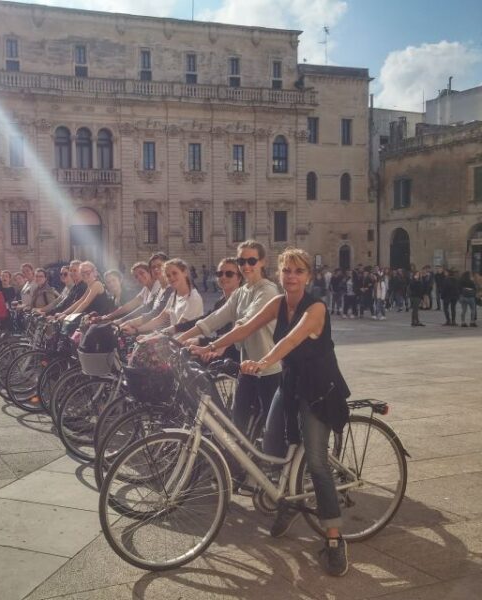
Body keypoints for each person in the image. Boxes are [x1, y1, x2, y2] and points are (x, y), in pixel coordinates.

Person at [211, 247, 351, 577]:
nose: (291, 276)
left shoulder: (315, 307)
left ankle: (334, 537)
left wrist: (262, 362)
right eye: (287, 270)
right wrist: (210, 345)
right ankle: (288, 500)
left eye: (298, 271)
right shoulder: (278, 303)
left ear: (308, 276)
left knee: (316, 462)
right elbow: (245, 328)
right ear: (280, 273)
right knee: (272, 446)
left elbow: (289, 341)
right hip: (289, 386)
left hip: (318, 390)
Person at [181, 241, 282, 446]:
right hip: (248, 368)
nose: (246, 266)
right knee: (238, 423)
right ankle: (244, 467)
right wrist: (179, 338)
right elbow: (215, 318)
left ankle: (279, 470)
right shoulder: (241, 292)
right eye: (241, 261)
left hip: (269, 369)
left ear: (262, 262)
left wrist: (210, 346)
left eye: (251, 260)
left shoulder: (268, 291)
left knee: (272, 431)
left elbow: (244, 326)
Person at [129, 259, 203, 334]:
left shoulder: (193, 298)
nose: (171, 277)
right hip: (174, 340)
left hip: (186, 343)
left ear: (185, 272)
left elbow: (178, 328)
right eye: (168, 275)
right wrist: (137, 330)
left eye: (174, 273)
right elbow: (159, 319)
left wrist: (152, 336)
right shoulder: (174, 296)